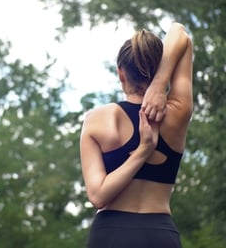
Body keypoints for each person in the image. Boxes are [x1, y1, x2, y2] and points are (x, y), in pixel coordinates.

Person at [79, 22, 193, 248]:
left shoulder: (99, 120)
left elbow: (98, 196)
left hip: (110, 235)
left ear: (121, 74)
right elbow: (181, 34)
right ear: (162, 68)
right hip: (160, 235)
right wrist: (160, 84)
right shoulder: (177, 113)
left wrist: (141, 152)